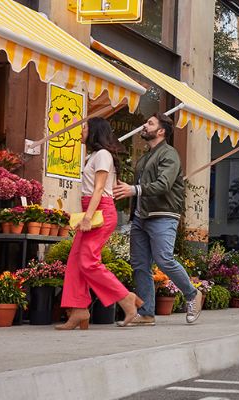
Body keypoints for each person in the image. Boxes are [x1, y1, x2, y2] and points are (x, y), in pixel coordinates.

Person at [114, 113, 203, 326]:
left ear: (161, 131)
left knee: (164, 259)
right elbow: (139, 187)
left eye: (150, 123)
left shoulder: (169, 154)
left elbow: (163, 185)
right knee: (140, 265)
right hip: (141, 217)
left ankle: (193, 294)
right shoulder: (146, 157)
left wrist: (133, 190)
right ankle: (146, 313)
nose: (145, 125)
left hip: (163, 215)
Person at [56, 117, 143, 330]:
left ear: (94, 131)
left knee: (88, 261)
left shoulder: (103, 155)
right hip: (93, 210)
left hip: (99, 212)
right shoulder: (94, 156)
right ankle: (78, 310)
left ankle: (126, 298)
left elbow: (99, 189)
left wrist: (87, 217)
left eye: (84, 127)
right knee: (76, 260)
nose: (81, 131)